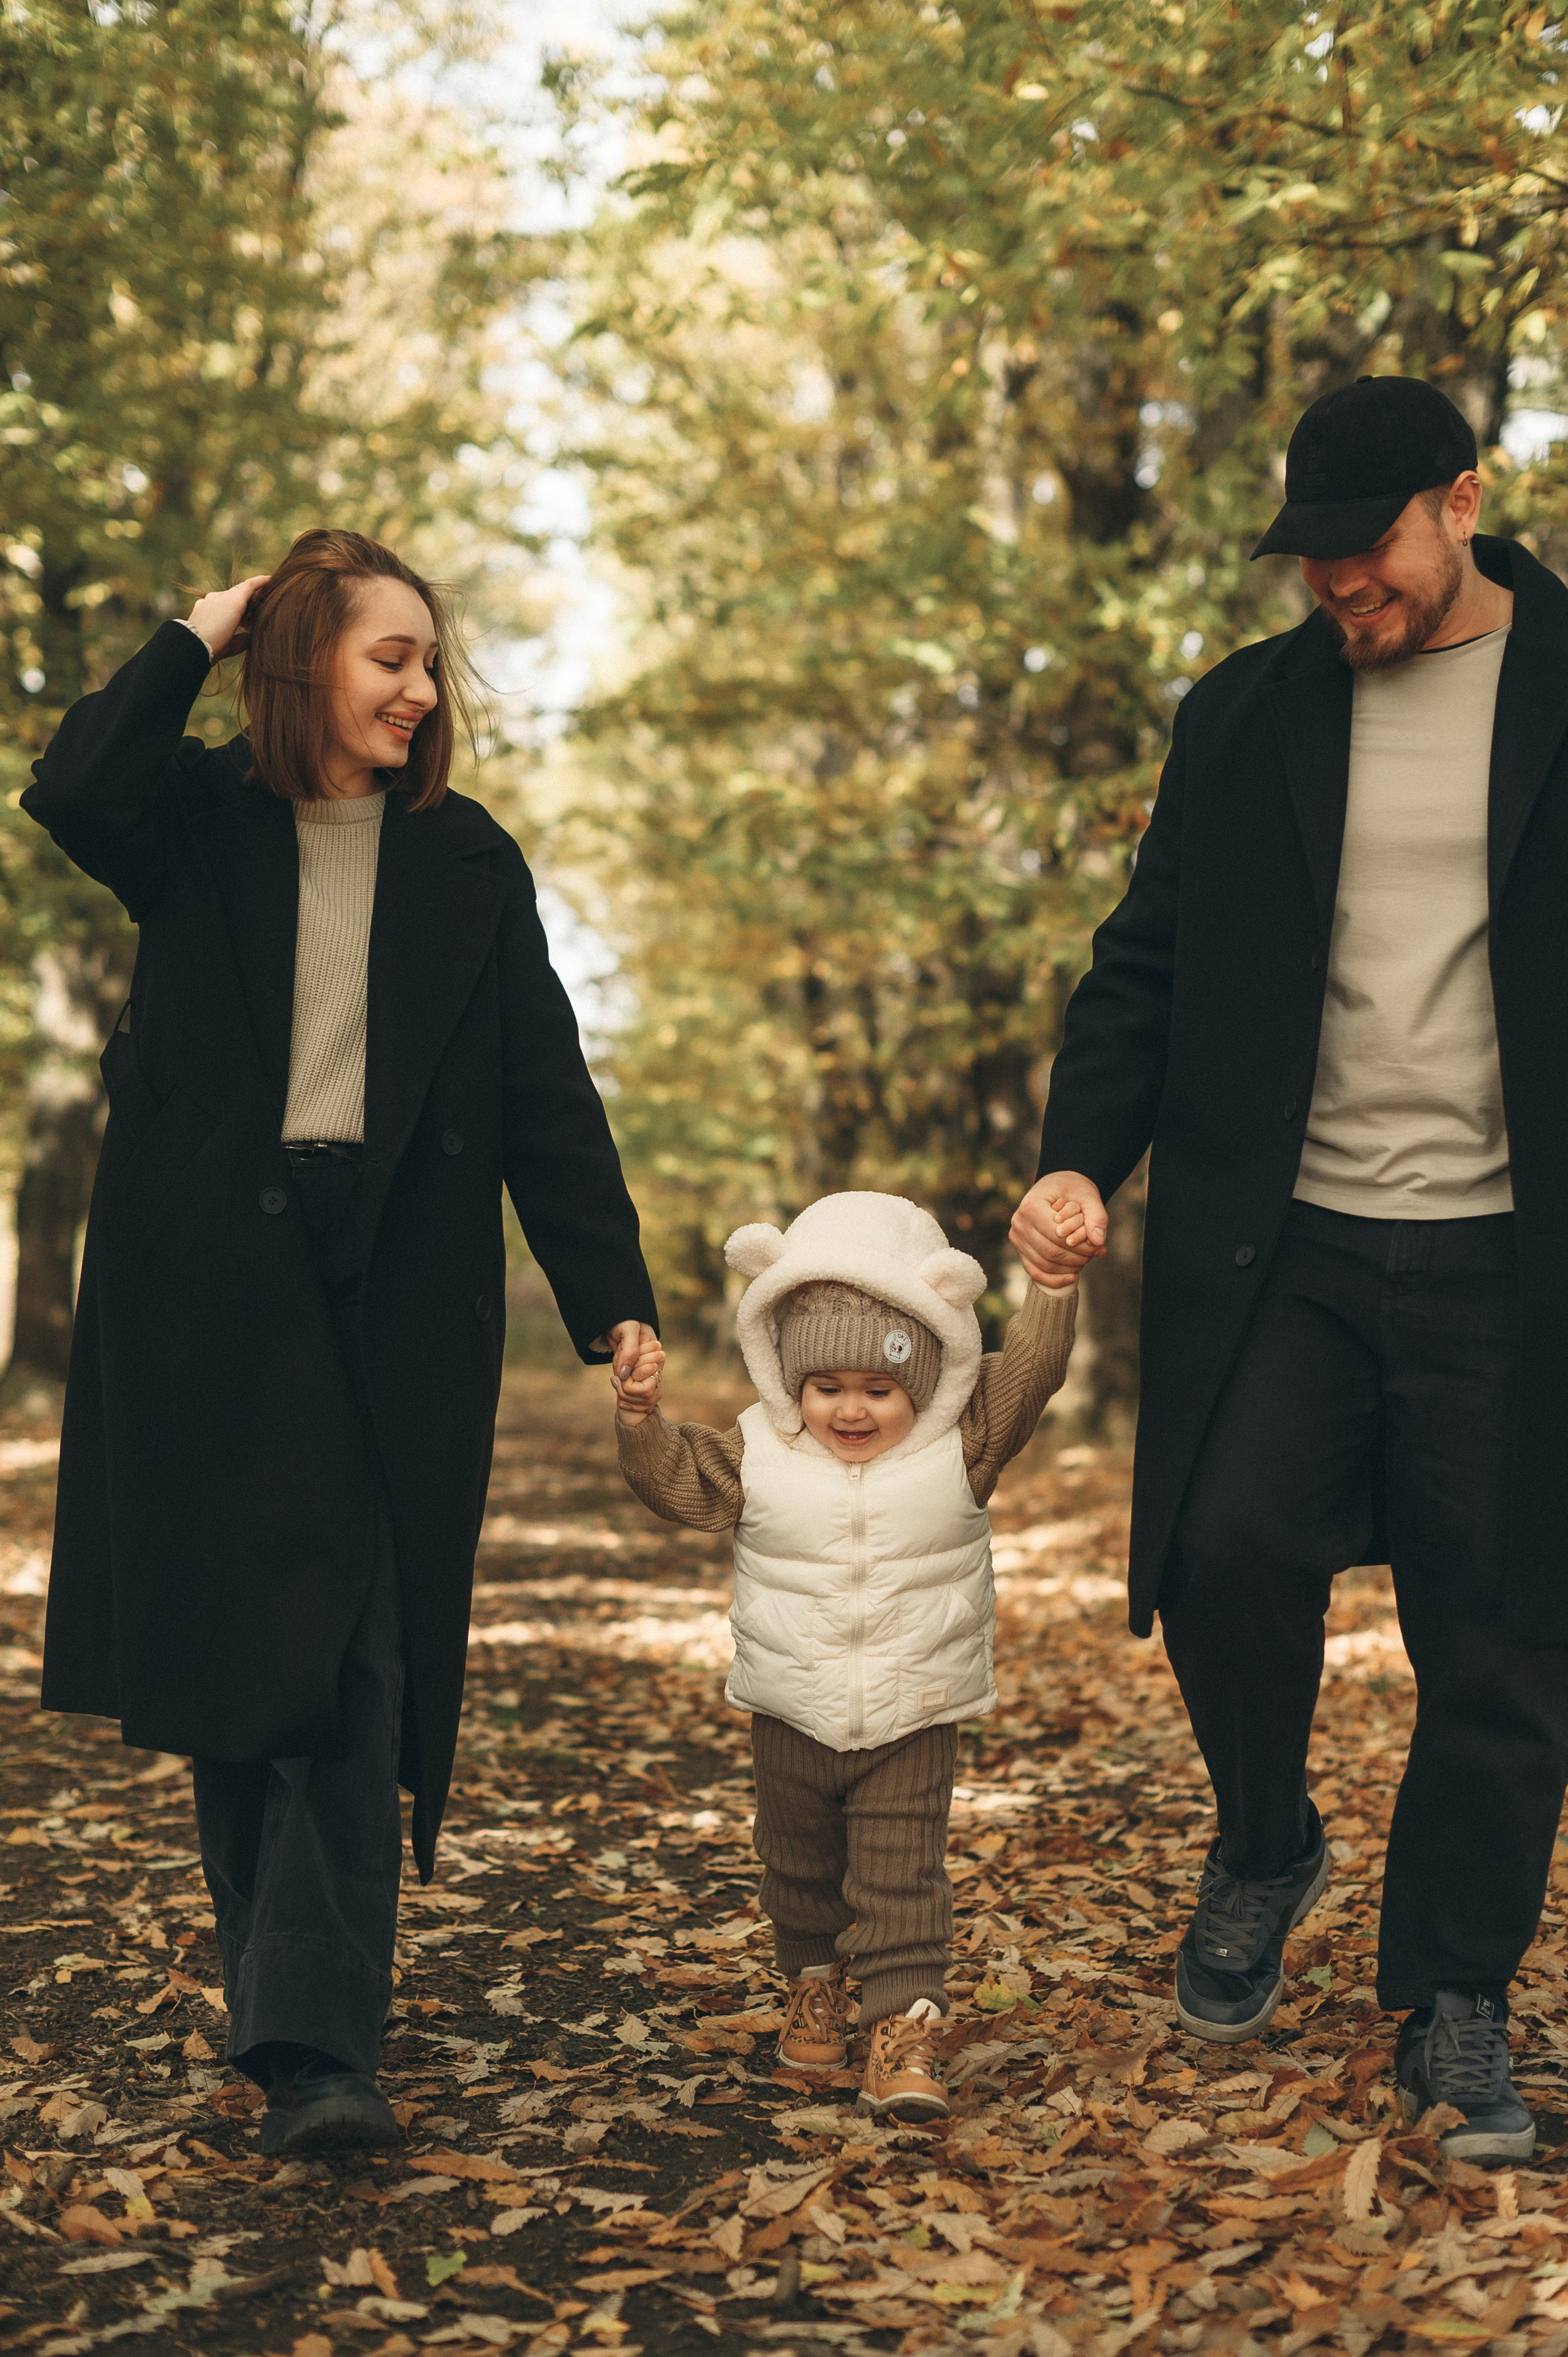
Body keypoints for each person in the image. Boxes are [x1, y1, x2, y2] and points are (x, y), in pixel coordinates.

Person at [23, 532, 658, 2154]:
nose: (423, 691)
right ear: (303, 660)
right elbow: (74, 784)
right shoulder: (197, 823)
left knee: (355, 1658)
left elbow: (544, 1097)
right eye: (390, 657)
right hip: (209, 1294)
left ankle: (316, 2044)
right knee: (243, 1665)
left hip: (392, 1293)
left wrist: (614, 1301)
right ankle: (284, 2007)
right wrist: (208, 621)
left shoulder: (467, 858)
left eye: (430, 665)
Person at [1009, 374, 1568, 2163]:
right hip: (1297, 1246)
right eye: (1311, 558)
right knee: (1227, 1551)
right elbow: (1144, 962)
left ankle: (1455, 1999)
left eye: (1368, 546)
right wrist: (1081, 1153)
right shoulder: (1243, 719)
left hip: (1511, 1261)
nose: (1340, 585)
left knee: (1500, 1636)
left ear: (1461, 501)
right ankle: (1267, 1836)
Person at [611, 1190, 1077, 2122]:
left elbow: (1024, 1373)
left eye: (880, 1389)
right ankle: (814, 1987)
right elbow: (673, 1482)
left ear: (928, 1379)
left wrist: (1053, 1287)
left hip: (915, 1708)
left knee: (902, 1879)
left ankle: (905, 2031)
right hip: (792, 1707)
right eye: (827, 1387)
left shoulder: (962, 1445)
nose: (852, 1410)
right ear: (789, 1378)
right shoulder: (759, 1452)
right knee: (798, 1871)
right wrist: (638, 1418)